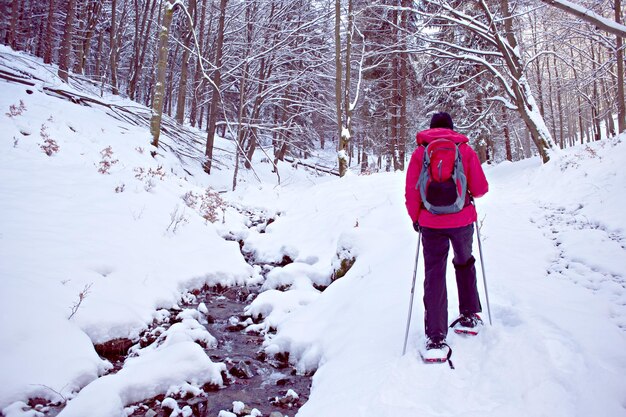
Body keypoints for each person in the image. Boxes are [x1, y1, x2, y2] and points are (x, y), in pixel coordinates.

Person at [404, 112, 489, 354]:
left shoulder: (421, 152)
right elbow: (481, 189)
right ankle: (469, 315)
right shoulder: (464, 149)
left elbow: (412, 191)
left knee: (434, 275)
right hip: (462, 220)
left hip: (431, 222)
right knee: (464, 262)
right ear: (452, 128)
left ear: (430, 128)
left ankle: (436, 337)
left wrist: (416, 218)